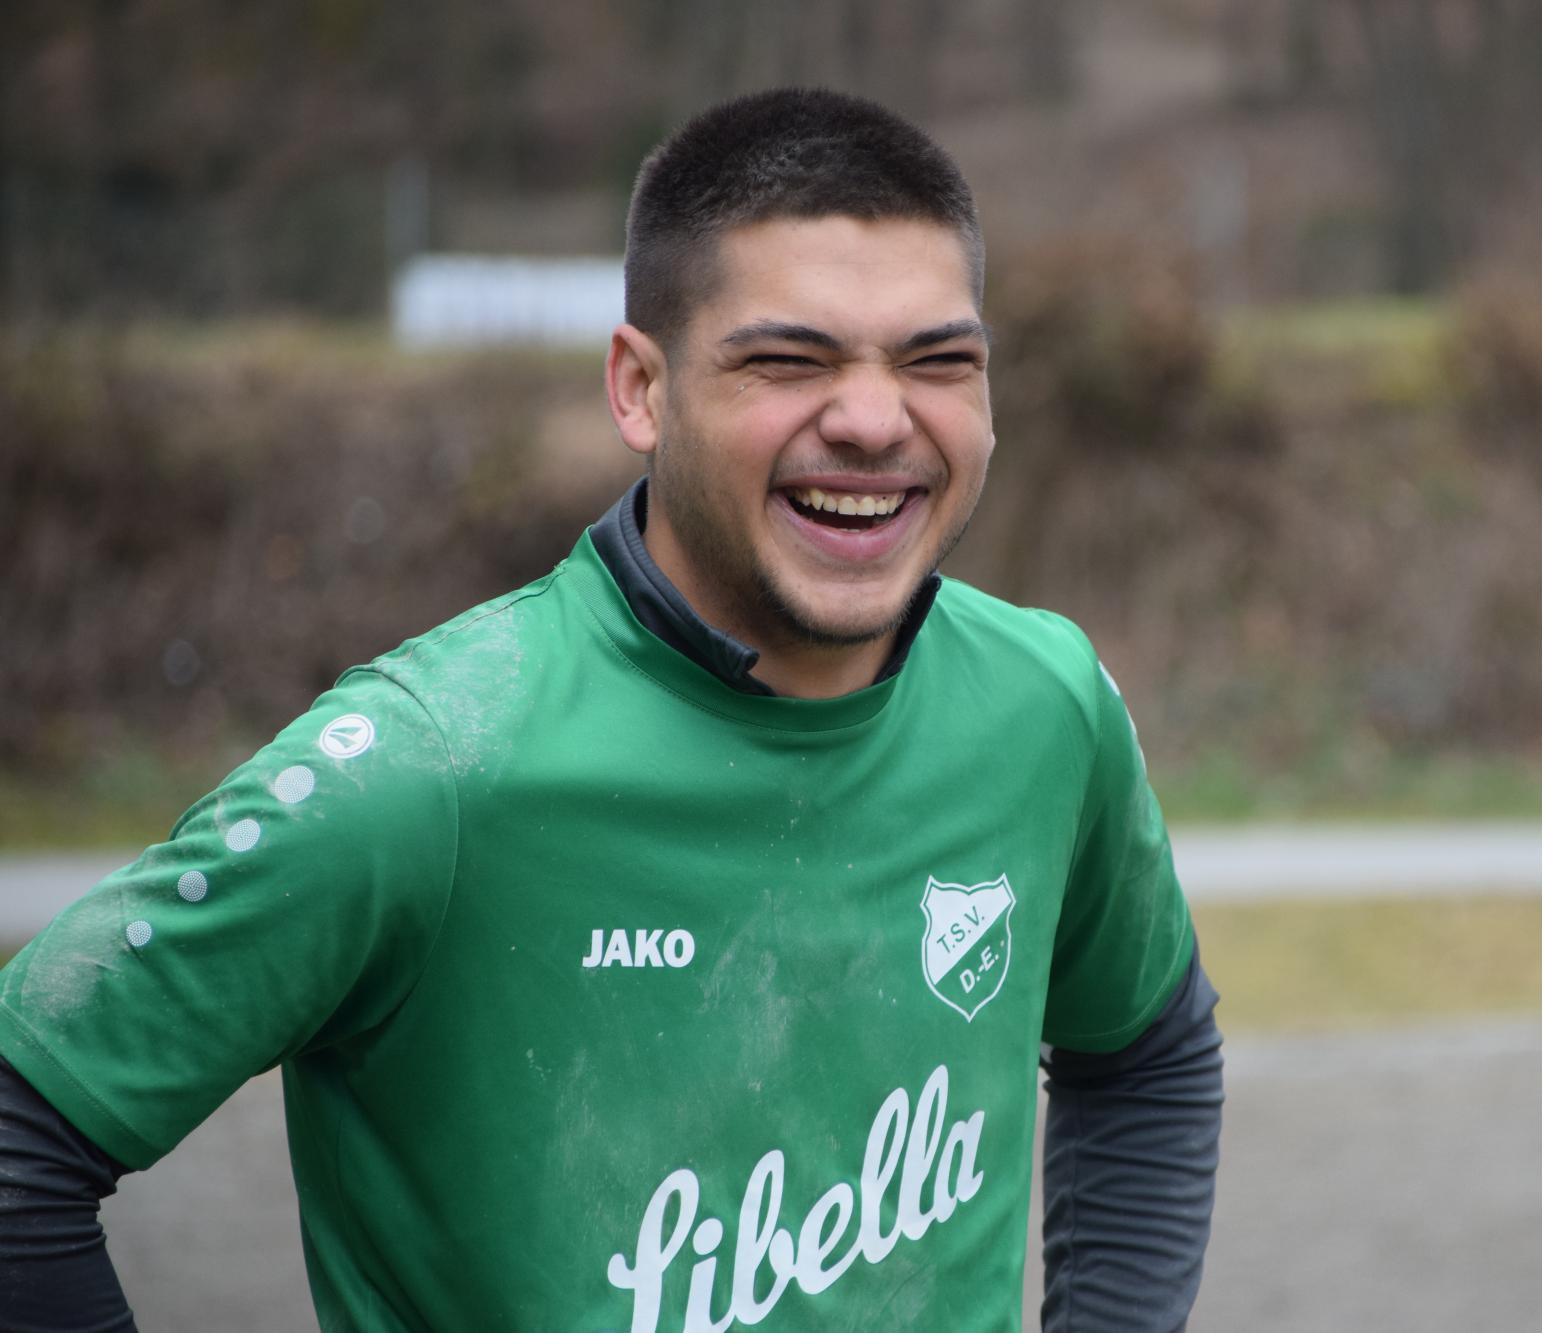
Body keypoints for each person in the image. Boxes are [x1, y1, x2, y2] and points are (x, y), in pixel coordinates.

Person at [0, 88, 1222, 1331]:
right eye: (786, 361)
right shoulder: (428, 767)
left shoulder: (1046, 702)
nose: (870, 418)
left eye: (936, 362)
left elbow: (1147, 1055)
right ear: (641, 390)